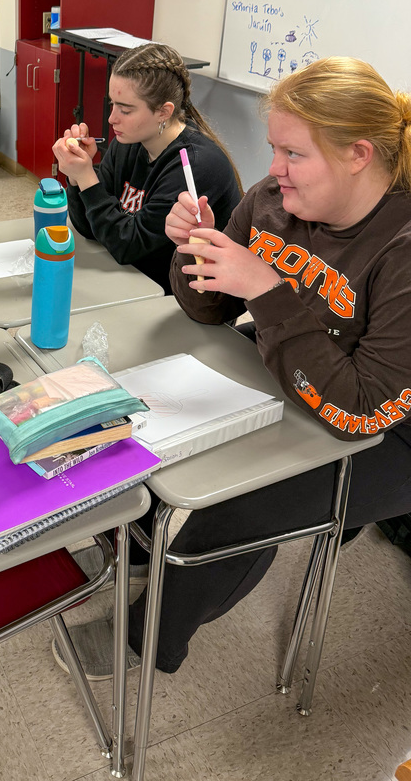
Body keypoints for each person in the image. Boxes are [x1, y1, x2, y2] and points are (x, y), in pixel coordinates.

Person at [54, 55, 411, 681]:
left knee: (239, 502)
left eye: (293, 154)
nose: (274, 169)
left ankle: (149, 635)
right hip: (289, 369)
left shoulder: (400, 247)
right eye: (274, 149)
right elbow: (208, 311)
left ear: (358, 155)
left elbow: (360, 412)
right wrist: (194, 251)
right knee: (147, 409)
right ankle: (135, 545)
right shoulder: (274, 200)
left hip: (385, 427)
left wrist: (267, 291)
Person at [51, 43, 242, 294]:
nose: (112, 118)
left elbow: (127, 246)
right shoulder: (129, 141)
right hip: (136, 280)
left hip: (181, 296)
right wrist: (77, 178)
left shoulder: (195, 164)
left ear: (163, 112)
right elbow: (91, 227)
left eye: (125, 109)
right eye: (112, 104)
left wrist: (87, 178)